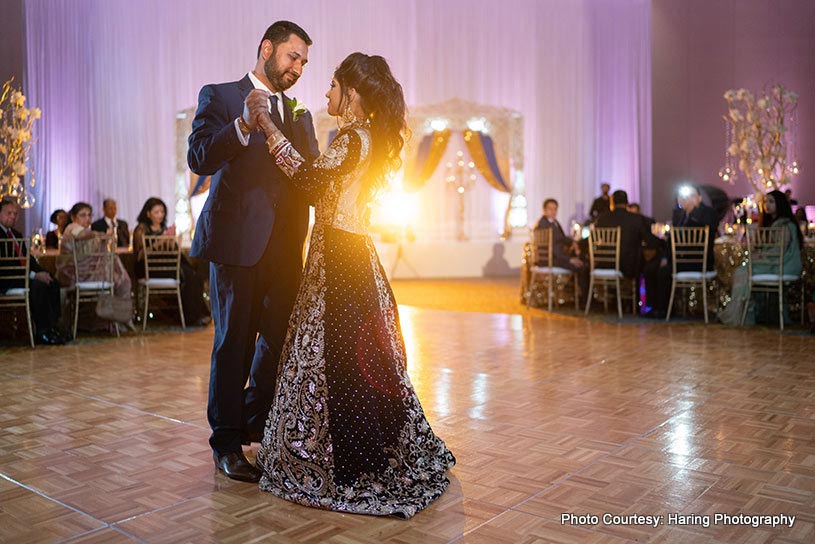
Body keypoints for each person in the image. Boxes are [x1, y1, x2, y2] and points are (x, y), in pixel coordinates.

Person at [248, 52, 455, 518]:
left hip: (343, 262)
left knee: (343, 366)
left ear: (353, 93)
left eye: (333, 86)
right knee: (346, 365)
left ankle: (350, 465)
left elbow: (306, 181)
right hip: (349, 255)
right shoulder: (366, 139)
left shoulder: (352, 139)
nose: (326, 94)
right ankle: (345, 453)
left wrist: (267, 127)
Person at [187, 21, 320, 482]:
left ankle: (252, 420)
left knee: (283, 346)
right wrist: (242, 123)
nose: (298, 68)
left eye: (303, 62)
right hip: (237, 248)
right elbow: (199, 157)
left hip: (286, 252)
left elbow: (309, 177)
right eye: (292, 57)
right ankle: (225, 443)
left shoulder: (301, 115)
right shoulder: (221, 96)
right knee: (234, 346)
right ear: (267, 49)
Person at [719, 190, 802, 326]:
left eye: (771, 201)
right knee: (742, 270)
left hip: (784, 265)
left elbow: (780, 251)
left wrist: (761, 255)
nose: (766, 205)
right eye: (765, 201)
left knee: (743, 271)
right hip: (775, 262)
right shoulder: (773, 224)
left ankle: (742, 316)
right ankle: (742, 315)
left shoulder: (786, 225)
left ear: (779, 204)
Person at [132, 197, 210, 326]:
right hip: (148, 268)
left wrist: (170, 241)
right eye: (157, 212)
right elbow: (140, 255)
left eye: (162, 212)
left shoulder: (163, 229)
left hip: (166, 265)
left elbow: (169, 251)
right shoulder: (141, 229)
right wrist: (161, 240)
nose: (160, 215)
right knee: (188, 273)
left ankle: (195, 315)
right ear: (148, 213)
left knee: (191, 275)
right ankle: (192, 317)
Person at [645, 185, 718, 318]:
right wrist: (665, 257)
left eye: (691, 196)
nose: (686, 199)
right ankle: (653, 306)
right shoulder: (679, 215)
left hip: (698, 261)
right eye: (684, 196)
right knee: (650, 268)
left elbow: (709, 227)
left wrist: (692, 210)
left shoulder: (708, 212)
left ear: (699, 198)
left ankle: (665, 309)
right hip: (678, 259)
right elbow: (672, 239)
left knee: (664, 272)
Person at [0, 197, 65, 345]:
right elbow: (6, 264)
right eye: (8, 213)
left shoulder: (16, 234)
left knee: (53, 282)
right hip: (6, 278)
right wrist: (35, 275)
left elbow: (27, 259)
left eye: (15, 214)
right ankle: (42, 332)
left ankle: (52, 327)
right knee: (37, 285)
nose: (12, 216)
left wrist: (44, 273)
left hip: (20, 275)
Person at [57, 202, 133, 327]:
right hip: (74, 276)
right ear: (73, 217)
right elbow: (82, 235)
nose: (87, 218)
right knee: (119, 279)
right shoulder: (72, 227)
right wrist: (101, 235)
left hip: (89, 274)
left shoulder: (88, 231)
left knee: (119, 278)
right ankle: (119, 320)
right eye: (82, 215)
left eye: (89, 215)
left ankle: (118, 319)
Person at [533, 198, 589, 304]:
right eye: (550, 209)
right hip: (550, 259)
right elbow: (553, 248)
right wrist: (569, 260)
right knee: (582, 266)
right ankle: (584, 301)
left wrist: (573, 243)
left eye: (555, 209)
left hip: (557, 256)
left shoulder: (553, 222)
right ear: (544, 210)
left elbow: (562, 238)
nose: (553, 212)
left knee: (581, 260)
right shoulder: (544, 225)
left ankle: (578, 296)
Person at [596, 190, 648, 280]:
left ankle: (606, 292)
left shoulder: (602, 218)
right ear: (627, 202)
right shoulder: (636, 219)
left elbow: (594, 238)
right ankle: (636, 293)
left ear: (612, 202)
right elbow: (647, 239)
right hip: (629, 266)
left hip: (606, 264)